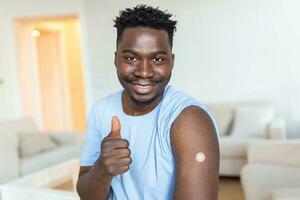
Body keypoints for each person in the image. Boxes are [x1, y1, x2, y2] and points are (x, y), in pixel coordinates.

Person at [76, 4, 220, 200]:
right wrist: (102, 168)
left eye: (158, 59)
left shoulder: (189, 121)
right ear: (116, 59)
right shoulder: (100, 110)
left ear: (172, 61)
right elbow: (86, 194)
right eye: (131, 58)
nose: (144, 72)